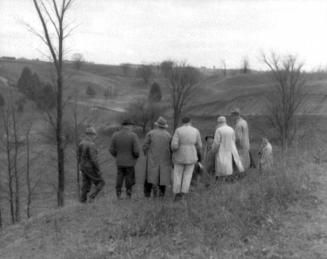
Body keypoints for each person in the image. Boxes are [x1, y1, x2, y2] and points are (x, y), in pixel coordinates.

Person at [171, 117, 202, 201]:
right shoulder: (196, 131)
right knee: (188, 175)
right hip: (191, 156)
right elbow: (199, 145)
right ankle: (183, 193)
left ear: (182, 122)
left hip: (179, 156)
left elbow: (174, 145)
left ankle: (177, 192)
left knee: (177, 175)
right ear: (190, 121)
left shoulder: (178, 130)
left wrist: (174, 150)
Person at [109, 119, 140, 199]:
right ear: (129, 126)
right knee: (129, 178)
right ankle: (128, 194)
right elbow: (136, 151)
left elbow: (111, 149)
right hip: (130, 162)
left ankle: (118, 193)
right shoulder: (133, 135)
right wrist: (135, 157)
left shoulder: (115, 135)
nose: (132, 127)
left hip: (119, 161)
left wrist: (117, 155)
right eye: (132, 125)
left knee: (119, 176)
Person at [143, 117, 172, 198]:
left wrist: (146, 154)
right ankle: (161, 194)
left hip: (152, 158)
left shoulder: (151, 133)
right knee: (162, 176)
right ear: (164, 126)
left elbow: (145, 146)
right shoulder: (169, 135)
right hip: (165, 158)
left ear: (157, 125)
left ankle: (147, 194)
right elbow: (171, 148)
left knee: (150, 175)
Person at [78, 126, 105, 203]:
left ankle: (82, 201)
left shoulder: (81, 143)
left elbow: (79, 157)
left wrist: (80, 168)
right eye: (94, 135)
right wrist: (98, 170)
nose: (95, 137)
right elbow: (94, 159)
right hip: (90, 167)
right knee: (101, 182)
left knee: (85, 184)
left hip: (83, 167)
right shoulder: (91, 144)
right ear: (91, 135)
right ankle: (91, 197)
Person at [212, 116, 244, 183]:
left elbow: (216, 142)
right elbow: (233, 139)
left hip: (221, 149)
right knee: (230, 165)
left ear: (218, 122)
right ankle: (231, 179)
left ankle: (222, 181)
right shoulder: (231, 129)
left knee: (221, 166)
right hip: (231, 149)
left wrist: (214, 150)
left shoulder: (219, 130)